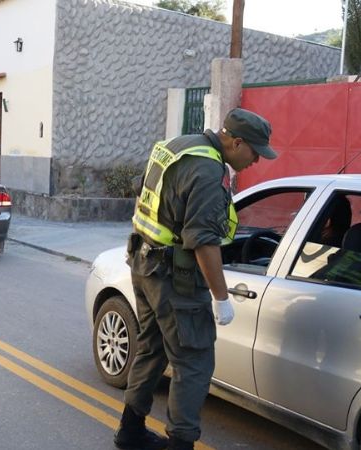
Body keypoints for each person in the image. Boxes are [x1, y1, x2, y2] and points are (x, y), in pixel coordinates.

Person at [115, 108, 277, 450]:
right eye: (255, 153)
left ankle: (129, 431)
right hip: (175, 278)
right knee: (194, 361)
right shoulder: (207, 170)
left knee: (151, 348)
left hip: (144, 262)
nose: (256, 161)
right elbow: (202, 241)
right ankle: (180, 443)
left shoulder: (179, 145)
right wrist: (221, 297)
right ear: (236, 142)